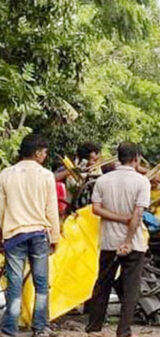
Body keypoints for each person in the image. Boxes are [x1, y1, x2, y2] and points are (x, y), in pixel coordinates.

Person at [86, 142, 151, 337]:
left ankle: (94, 326)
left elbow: (95, 209)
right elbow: (137, 214)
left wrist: (117, 219)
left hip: (108, 241)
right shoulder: (142, 182)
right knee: (131, 288)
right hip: (134, 243)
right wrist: (128, 240)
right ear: (136, 158)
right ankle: (123, 330)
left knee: (103, 283)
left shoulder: (103, 181)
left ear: (118, 157)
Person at [0, 134, 60, 337]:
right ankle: (40, 327)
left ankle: (9, 328)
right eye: (44, 152)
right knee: (41, 283)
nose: (45, 156)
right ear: (36, 153)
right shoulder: (46, 176)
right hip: (39, 235)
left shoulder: (6, 174)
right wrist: (55, 237)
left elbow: (0, 208)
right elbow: (51, 210)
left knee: (14, 283)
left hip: (14, 235)